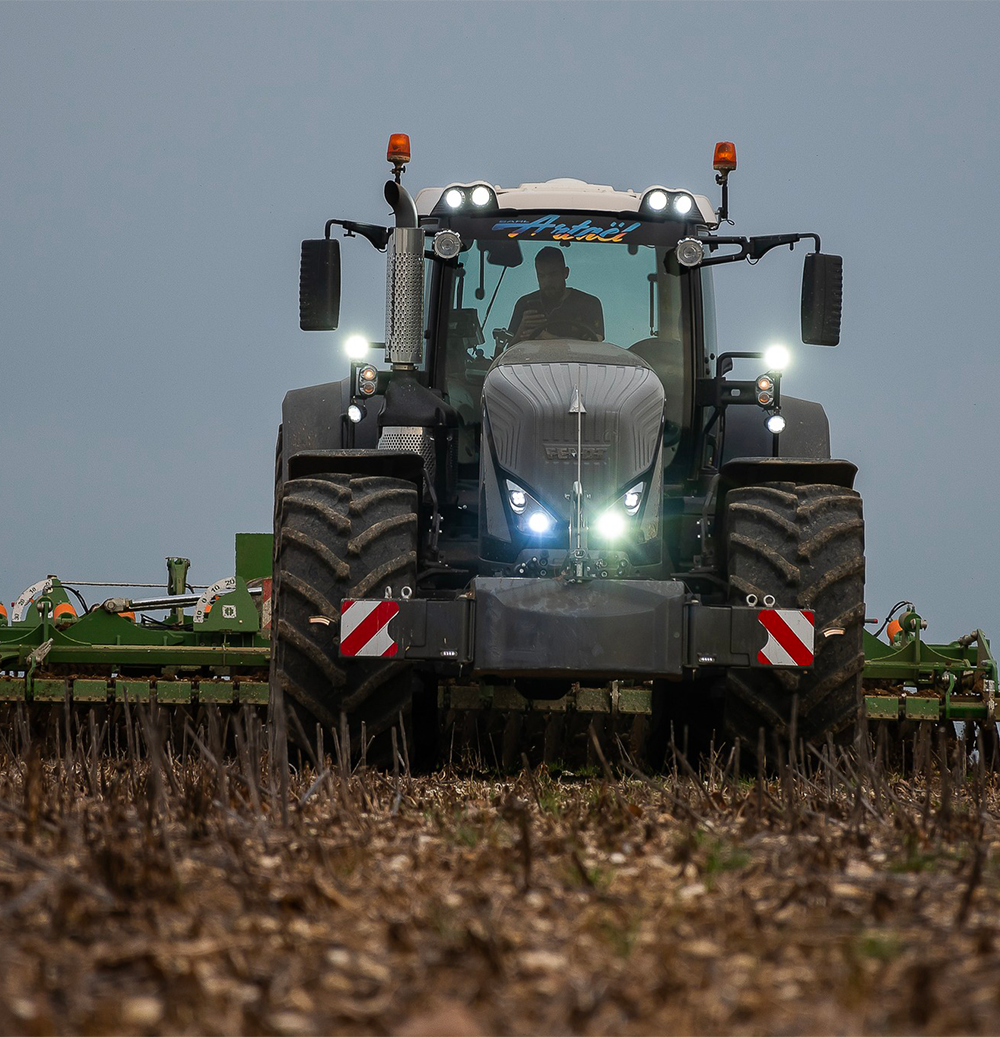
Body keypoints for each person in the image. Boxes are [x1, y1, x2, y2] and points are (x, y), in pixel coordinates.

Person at [508, 247, 604, 343]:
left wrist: (548, 338)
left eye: (553, 274)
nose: (547, 281)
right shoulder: (525, 304)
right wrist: (521, 328)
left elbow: (595, 346)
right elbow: (508, 351)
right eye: (542, 276)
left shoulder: (589, 304)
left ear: (565, 273)